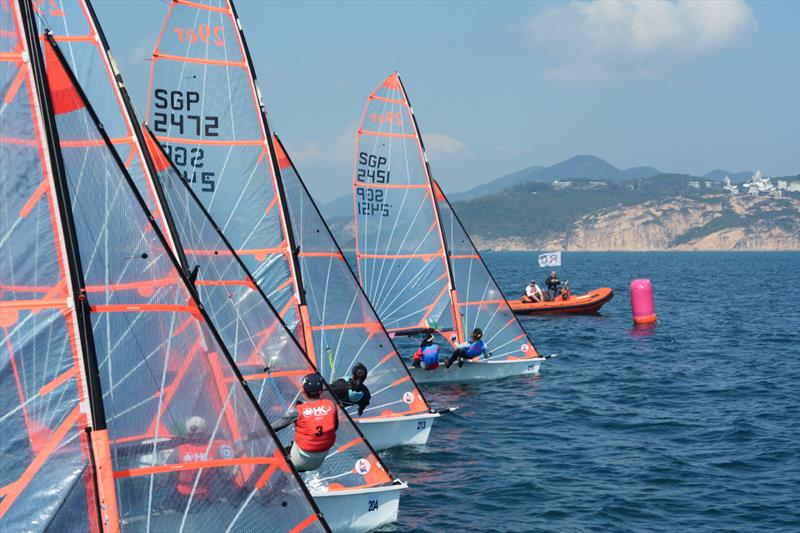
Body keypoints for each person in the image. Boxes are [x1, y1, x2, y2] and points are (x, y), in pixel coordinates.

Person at [273, 373, 338, 472]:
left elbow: (275, 427)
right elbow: (335, 427)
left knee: (276, 455)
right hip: (318, 462)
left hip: (298, 462)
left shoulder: (299, 410)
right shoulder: (331, 405)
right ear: (320, 391)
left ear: (303, 390)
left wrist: (252, 434)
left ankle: (273, 484)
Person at [175, 416, 241, 500]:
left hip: (183, 498)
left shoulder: (179, 449)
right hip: (203, 499)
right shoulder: (214, 448)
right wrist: (237, 456)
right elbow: (226, 475)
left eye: (198, 435)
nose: (196, 438)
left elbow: (166, 477)